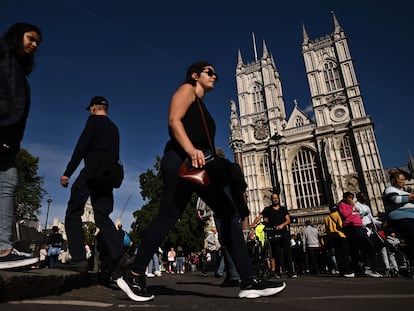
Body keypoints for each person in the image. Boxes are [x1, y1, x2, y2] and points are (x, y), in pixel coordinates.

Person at [116, 61, 286, 302]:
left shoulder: (202, 107)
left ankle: (249, 280)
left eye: (215, 72)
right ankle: (134, 274)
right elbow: (174, 121)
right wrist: (191, 149)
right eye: (209, 72)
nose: (215, 75)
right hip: (182, 161)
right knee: (169, 217)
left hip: (200, 166)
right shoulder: (186, 89)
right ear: (195, 75)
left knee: (227, 214)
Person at [59, 96, 128, 275]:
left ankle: (79, 258)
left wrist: (68, 172)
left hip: (91, 172)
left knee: (73, 211)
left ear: (93, 108)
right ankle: (120, 255)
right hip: (108, 176)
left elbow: (81, 147)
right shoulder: (114, 128)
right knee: (102, 216)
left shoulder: (93, 122)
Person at [0, 22, 42, 269]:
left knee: (8, 183)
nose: (34, 44)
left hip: (8, 139)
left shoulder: (20, 70)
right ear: (17, 36)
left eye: (37, 42)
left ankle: (3, 248)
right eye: (31, 38)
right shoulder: (3, 51)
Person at [339, 192, 381, 277]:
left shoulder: (356, 206)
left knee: (367, 246)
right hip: (351, 227)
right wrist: (351, 206)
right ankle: (358, 269)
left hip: (359, 227)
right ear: (345, 198)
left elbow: (359, 215)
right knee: (355, 249)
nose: (351, 199)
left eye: (352, 197)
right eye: (349, 197)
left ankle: (366, 267)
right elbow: (345, 214)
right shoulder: (343, 205)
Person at [382, 168, 414, 278]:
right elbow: (395, 200)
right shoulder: (389, 189)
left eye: (404, 179)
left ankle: (411, 265)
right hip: (400, 218)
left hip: (410, 218)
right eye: (401, 179)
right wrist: (411, 197)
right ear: (395, 180)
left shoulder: (405, 191)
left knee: (411, 241)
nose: (404, 181)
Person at [257, 193, 297, 279]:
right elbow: (261, 216)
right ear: (271, 200)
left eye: (276, 198)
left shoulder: (283, 209)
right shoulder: (268, 210)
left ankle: (290, 272)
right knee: (276, 253)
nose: (275, 199)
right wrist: (254, 223)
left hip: (284, 233)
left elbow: (288, 220)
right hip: (274, 233)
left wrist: (282, 225)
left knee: (287, 252)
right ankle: (277, 272)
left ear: (279, 199)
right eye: (274, 198)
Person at [324, 204, 354, 277]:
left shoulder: (327, 217)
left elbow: (327, 229)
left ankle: (341, 271)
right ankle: (348, 271)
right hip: (341, 236)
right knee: (344, 254)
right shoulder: (338, 215)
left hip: (333, 237)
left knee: (338, 255)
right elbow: (341, 225)